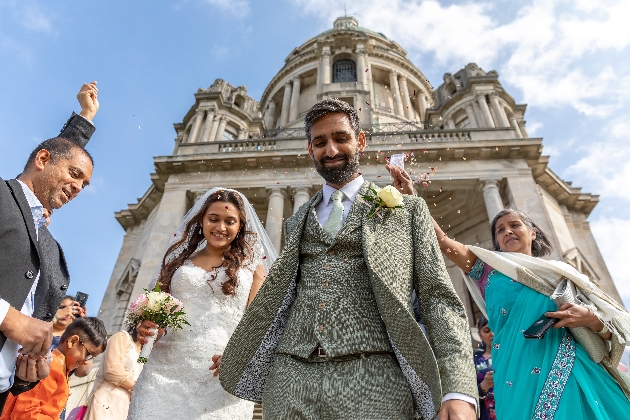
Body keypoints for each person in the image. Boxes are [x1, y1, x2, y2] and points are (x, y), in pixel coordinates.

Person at [219, 98, 478, 420]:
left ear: (361, 141)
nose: (331, 150)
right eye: (320, 142)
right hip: (288, 380)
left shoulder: (409, 210)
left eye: (341, 138)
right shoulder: (297, 219)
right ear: (309, 149)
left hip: (376, 379)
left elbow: (438, 298)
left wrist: (458, 389)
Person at [391, 166, 630, 419]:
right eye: (500, 230)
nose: (508, 231)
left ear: (532, 232)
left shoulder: (560, 273)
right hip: (512, 371)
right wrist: (412, 198)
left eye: (515, 225)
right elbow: (443, 243)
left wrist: (589, 318)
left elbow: (614, 327)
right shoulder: (486, 270)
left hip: (569, 364)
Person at [127, 188, 277, 420]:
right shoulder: (178, 261)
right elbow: (160, 312)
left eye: (230, 221)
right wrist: (147, 326)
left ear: (240, 226)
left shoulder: (253, 267)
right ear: (202, 220)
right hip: (164, 370)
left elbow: (260, 320)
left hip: (219, 371)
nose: (221, 227)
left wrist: (239, 354)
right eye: (213, 219)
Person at [0, 82, 99, 408]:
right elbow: (61, 150)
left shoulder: (52, 253)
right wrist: (8, 318)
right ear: (42, 159)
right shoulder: (3, 196)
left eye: (84, 184)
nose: (78, 187)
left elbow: (64, 154)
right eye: (74, 175)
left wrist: (24, 376)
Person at [0, 317, 107, 420]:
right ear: (73, 341)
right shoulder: (51, 368)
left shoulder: (61, 369)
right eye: (88, 355)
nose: (86, 362)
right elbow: (26, 413)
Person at [85, 326, 143, 420]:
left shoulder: (145, 353)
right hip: (106, 402)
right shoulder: (122, 337)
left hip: (124, 409)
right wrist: (139, 388)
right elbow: (112, 371)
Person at [473, 316, 495, 420]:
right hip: (486, 414)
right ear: (480, 335)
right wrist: (484, 386)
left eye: (496, 328)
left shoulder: (513, 356)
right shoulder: (475, 360)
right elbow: (466, 393)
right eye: (487, 330)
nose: (492, 334)